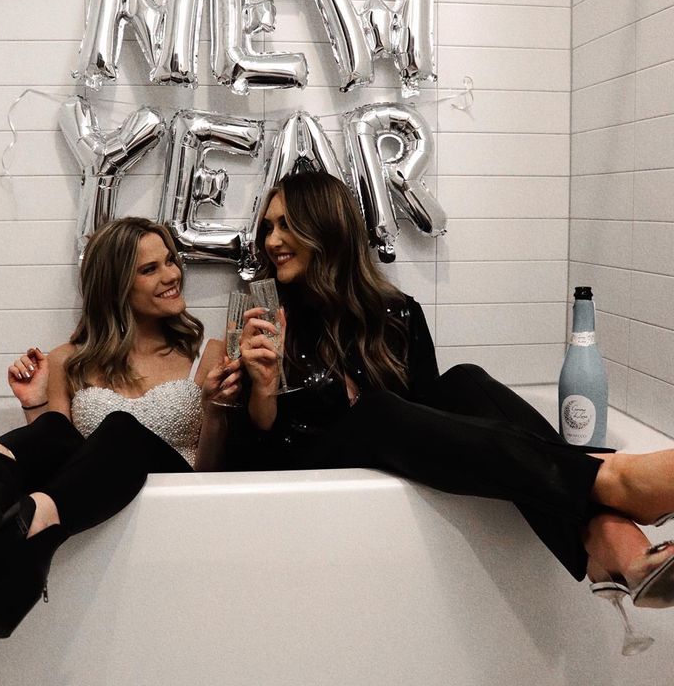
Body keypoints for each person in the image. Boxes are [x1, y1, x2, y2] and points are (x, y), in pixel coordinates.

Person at [237, 171, 674, 638]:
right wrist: (261, 392)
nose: (272, 240)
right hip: (308, 490)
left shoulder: (397, 313)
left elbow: (438, 424)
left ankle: (605, 538)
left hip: (387, 482)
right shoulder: (265, 322)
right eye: (268, 228)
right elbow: (250, 461)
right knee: (377, 411)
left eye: (285, 225)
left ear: (327, 228)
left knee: (464, 381)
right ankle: (610, 486)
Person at [0, 217, 240, 638]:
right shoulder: (67, 360)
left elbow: (214, 475)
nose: (172, 275)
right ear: (116, 286)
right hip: (92, 503)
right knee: (58, 430)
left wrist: (215, 407)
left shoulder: (207, 353)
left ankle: (0, 509)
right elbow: (56, 455)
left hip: (179, 511)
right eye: (150, 269)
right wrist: (35, 403)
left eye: (170, 261)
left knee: (120, 428)